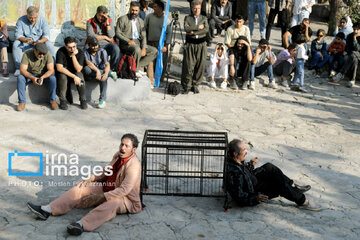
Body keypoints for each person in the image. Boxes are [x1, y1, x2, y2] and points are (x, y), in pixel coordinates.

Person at [27, 134, 142, 236]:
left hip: (125, 199)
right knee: (81, 187)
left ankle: (81, 225)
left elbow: (124, 190)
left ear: (134, 149)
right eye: (122, 144)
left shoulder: (134, 166)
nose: (122, 148)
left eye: (127, 146)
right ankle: (47, 210)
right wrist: (91, 178)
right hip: (108, 187)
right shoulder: (118, 155)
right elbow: (107, 171)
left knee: (113, 203)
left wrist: (101, 196)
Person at [225, 139, 321, 211]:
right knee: (278, 184)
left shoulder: (235, 160)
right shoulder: (234, 173)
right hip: (254, 192)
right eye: (244, 150)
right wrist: (255, 198)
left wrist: (250, 164)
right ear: (235, 153)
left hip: (252, 180)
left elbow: (244, 172)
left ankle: (293, 186)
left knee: (269, 167)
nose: (246, 151)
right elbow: (239, 196)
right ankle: (302, 201)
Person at [116, 1, 158, 78]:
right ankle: (134, 71)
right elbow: (118, 33)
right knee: (137, 49)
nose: (134, 12)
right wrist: (127, 40)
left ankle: (137, 68)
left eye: (136, 10)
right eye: (132, 10)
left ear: (139, 11)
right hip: (126, 44)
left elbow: (144, 35)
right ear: (129, 9)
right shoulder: (122, 19)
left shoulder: (140, 21)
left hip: (137, 43)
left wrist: (144, 47)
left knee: (154, 51)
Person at [13, 6, 55, 77]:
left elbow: (47, 35)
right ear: (27, 15)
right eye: (30, 17)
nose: (33, 19)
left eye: (35, 17)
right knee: (16, 44)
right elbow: (18, 35)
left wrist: (40, 41)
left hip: (40, 43)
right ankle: (18, 68)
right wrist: (25, 40)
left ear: (37, 15)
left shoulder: (43, 20)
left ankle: (53, 67)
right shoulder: (21, 20)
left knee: (49, 45)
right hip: (26, 43)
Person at [16, 43, 57, 111]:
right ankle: (22, 102)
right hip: (30, 75)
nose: (42, 56)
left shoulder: (48, 54)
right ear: (34, 50)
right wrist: (32, 78)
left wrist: (43, 77)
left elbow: (51, 70)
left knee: (53, 78)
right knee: (20, 78)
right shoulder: (27, 54)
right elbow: (22, 70)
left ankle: (53, 101)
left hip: (43, 75)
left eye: (43, 54)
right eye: (40, 53)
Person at [181, 0, 209, 94]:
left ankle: (195, 84)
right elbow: (186, 28)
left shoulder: (204, 18)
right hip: (190, 45)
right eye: (195, 8)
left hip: (201, 45)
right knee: (188, 65)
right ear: (192, 9)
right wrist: (197, 27)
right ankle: (187, 86)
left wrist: (193, 32)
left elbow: (206, 30)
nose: (197, 10)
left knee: (200, 65)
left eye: (198, 8)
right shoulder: (187, 18)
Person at [86, 5, 121, 77]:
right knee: (85, 48)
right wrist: (105, 37)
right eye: (101, 16)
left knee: (116, 48)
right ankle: (89, 70)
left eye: (104, 16)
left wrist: (107, 24)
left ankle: (111, 69)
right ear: (97, 13)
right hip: (94, 44)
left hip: (106, 44)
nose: (102, 18)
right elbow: (91, 36)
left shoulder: (109, 20)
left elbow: (111, 35)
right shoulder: (90, 22)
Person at [144, 0, 171, 85]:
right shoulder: (149, 17)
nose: (153, 8)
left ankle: (160, 80)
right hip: (150, 43)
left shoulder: (167, 20)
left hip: (161, 45)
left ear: (160, 8)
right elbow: (144, 29)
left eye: (155, 7)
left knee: (161, 62)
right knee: (151, 62)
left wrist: (166, 46)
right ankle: (150, 79)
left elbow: (169, 33)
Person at [56, 37, 87, 110]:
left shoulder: (80, 52)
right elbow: (59, 68)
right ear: (65, 46)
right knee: (62, 76)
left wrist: (73, 56)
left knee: (80, 76)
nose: (72, 49)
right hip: (65, 74)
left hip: (75, 73)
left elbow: (78, 69)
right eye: (69, 47)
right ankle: (63, 100)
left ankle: (83, 100)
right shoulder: (61, 51)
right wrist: (74, 77)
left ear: (76, 45)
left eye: (74, 47)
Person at [83, 37, 109, 109]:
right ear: (89, 45)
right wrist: (98, 71)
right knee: (86, 69)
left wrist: (106, 73)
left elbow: (107, 64)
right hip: (90, 74)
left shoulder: (102, 51)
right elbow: (88, 63)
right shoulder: (85, 52)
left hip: (100, 74)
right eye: (93, 45)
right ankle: (110, 73)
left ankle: (102, 100)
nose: (95, 47)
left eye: (96, 45)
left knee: (104, 77)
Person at [332, 22, 360, 88]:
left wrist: (355, 39)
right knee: (354, 59)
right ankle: (352, 80)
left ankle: (341, 73)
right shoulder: (350, 36)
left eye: (357, 29)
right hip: (352, 55)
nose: (355, 31)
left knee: (353, 54)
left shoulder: (354, 37)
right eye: (354, 29)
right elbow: (347, 48)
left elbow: (358, 48)